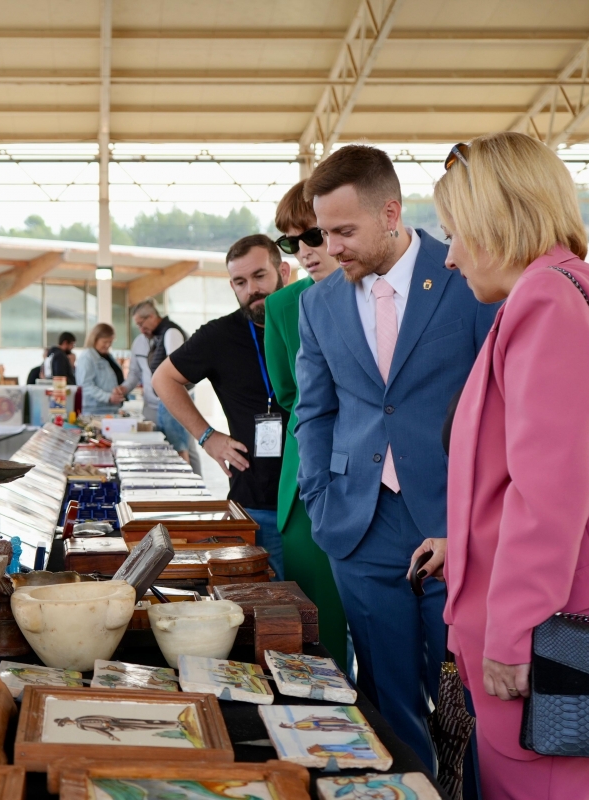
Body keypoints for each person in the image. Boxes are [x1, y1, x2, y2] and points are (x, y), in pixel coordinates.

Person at [418, 131, 589, 799]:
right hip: (576, 623)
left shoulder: (547, 300)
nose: (451, 257)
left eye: (456, 232)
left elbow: (547, 494)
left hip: (554, 636)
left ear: (496, 219)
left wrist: (514, 634)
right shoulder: (585, 289)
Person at [295, 144, 496, 771]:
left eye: (345, 231)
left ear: (391, 212)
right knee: (386, 705)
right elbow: (315, 411)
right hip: (358, 525)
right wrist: (320, 501)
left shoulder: (468, 274)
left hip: (455, 524)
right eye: (324, 232)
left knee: (472, 705)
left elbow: (500, 404)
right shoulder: (317, 303)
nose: (331, 247)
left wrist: (474, 520)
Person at [152, 235, 291, 580]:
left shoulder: (312, 320)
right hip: (258, 501)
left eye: (260, 276)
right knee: (274, 612)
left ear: (283, 271)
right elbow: (163, 379)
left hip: (316, 500)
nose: (252, 289)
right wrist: (207, 436)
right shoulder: (219, 336)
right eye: (241, 282)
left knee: (328, 613)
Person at [264, 180, 349, 669]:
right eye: (290, 242)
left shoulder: (384, 293)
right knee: (321, 637)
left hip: (385, 484)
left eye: (312, 236)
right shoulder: (283, 305)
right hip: (308, 482)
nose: (303, 251)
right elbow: (289, 394)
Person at [132, 300, 195, 461]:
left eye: (141, 324)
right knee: (174, 446)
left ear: (152, 317)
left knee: (178, 449)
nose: (141, 329)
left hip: (174, 398)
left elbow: (177, 371)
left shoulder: (171, 333)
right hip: (167, 398)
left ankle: (183, 484)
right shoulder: (160, 334)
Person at [76, 323, 125, 416]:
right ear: (95, 339)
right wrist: (108, 397)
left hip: (110, 409)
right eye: (105, 342)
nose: (108, 345)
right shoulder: (87, 357)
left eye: (110, 342)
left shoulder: (107, 356)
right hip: (95, 411)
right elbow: (85, 385)